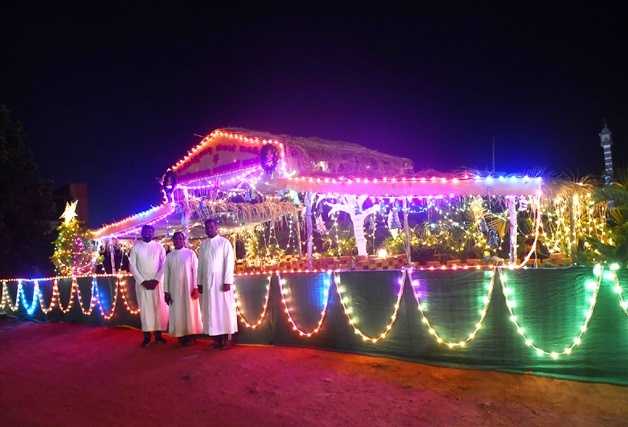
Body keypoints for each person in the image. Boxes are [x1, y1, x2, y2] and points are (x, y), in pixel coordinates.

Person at [197, 218, 237, 350]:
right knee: (211, 310)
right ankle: (216, 340)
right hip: (207, 283)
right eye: (207, 227)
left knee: (223, 309)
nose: (209, 229)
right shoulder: (203, 245)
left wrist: (227, 281)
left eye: (211, 227)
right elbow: (200, 265)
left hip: (221, 282)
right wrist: (199, 282)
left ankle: (227, 340)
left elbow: (229, 263)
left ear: (216, 228)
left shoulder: (224, 243)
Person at [129, 224, 169, 347]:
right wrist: (143, 281)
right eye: (145, 231)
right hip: (143, 284)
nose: (147, 233)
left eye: (150, 232)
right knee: (145, 310)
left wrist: (156, 280)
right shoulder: (136, 247)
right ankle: (146, 337)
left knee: (158, 309)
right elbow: (132, 266)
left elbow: (164, 265)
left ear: (153, 233)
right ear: (141, 233)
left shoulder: (159, 247)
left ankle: (158, 336)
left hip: (157, 283)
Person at [163, 232, 203, 346]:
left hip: (189, 289)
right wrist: (166, 291)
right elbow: (167, 275)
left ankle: (191, 336)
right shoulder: (169, 256)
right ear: (173, 241)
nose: (178, 241)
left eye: (180, 239)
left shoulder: (190, 254)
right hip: (174, 290)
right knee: (177, 311)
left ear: (184, 240)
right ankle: (181, 337)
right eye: (175, 239)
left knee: (190, 311)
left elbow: (196, 271)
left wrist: (196, 287)